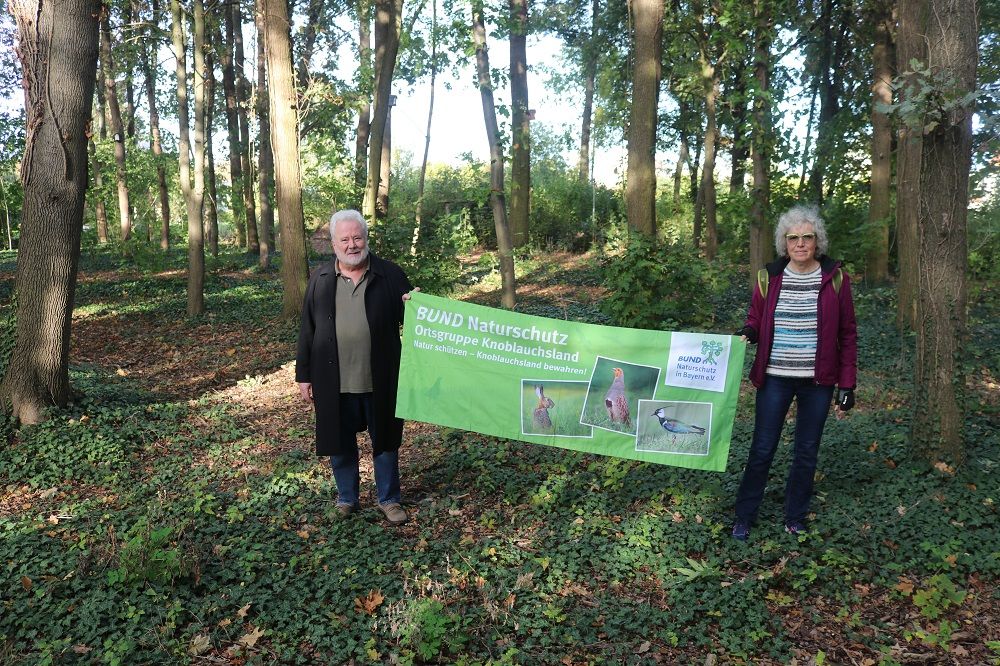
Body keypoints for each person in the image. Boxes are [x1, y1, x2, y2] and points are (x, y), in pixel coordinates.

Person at [731, 205, 857, 541]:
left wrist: (847, 383)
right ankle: (744, 515)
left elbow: (847, 334)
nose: (800, 244)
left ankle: (795, 516)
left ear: (817, 242)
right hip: (775, 377)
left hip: (818, 382)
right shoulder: (769, 277)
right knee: (762, 448)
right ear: (784, 243)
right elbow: (756, 317)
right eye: (793, 238)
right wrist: (749, 331)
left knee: (806, 450)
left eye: (807, 237)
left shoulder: (836, 279)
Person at [295, 209, 414, 525]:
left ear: (366, 238)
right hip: (333, 380)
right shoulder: (320, 279)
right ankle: (347, 498)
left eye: (357, 237)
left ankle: (389, 499)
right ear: (333, 243)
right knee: (340, 442)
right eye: (344, 239)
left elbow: (414, 323)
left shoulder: (391, 275)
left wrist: (419, 307)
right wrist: (303, 375)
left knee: (386, 442)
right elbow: (307, 330)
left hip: (382, 378)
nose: (352, 244)